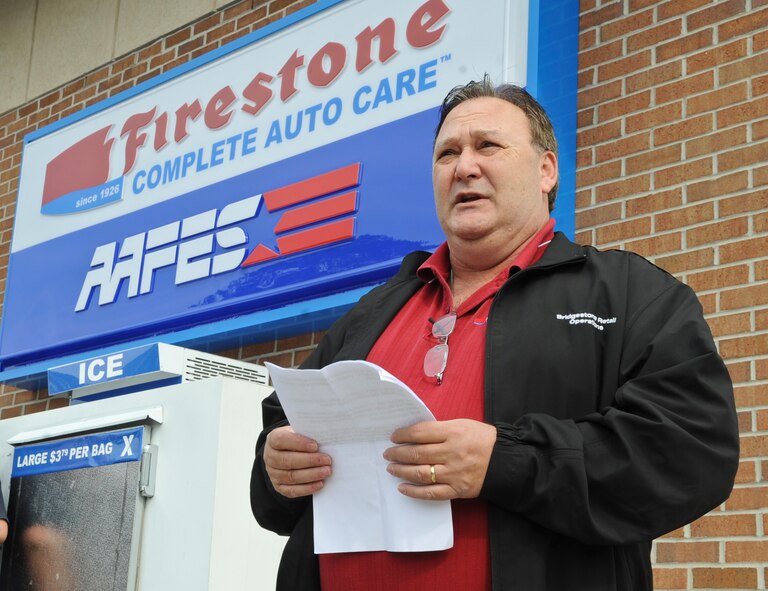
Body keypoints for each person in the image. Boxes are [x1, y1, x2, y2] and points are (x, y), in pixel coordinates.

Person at [250, 76, 739, 591]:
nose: (464, 167)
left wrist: (504, 461)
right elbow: (277, 454)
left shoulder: (629, 294)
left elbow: (691, 450)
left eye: (487, 145)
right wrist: (276, 468)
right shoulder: (372, 312)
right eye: (447, 154)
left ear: (546, 170)